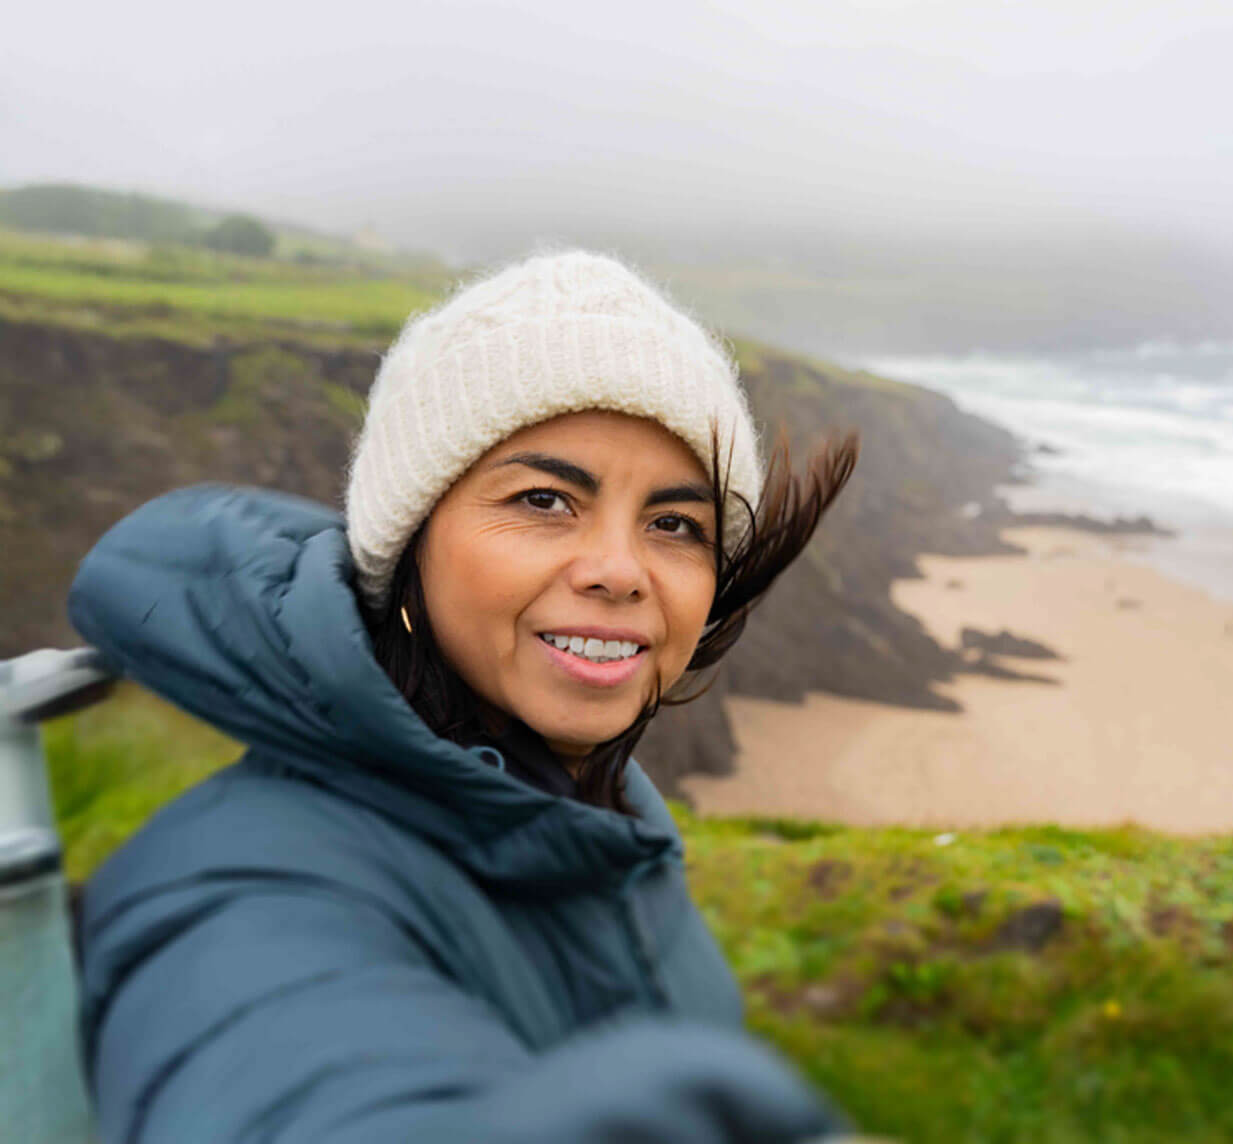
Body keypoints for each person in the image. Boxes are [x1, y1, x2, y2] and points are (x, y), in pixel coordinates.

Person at [66, 251, 860, 1142]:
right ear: (409, 541)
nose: (619, 571)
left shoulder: (604, 815)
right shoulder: (241, 886)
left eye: (674, 524)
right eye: (544, 500)